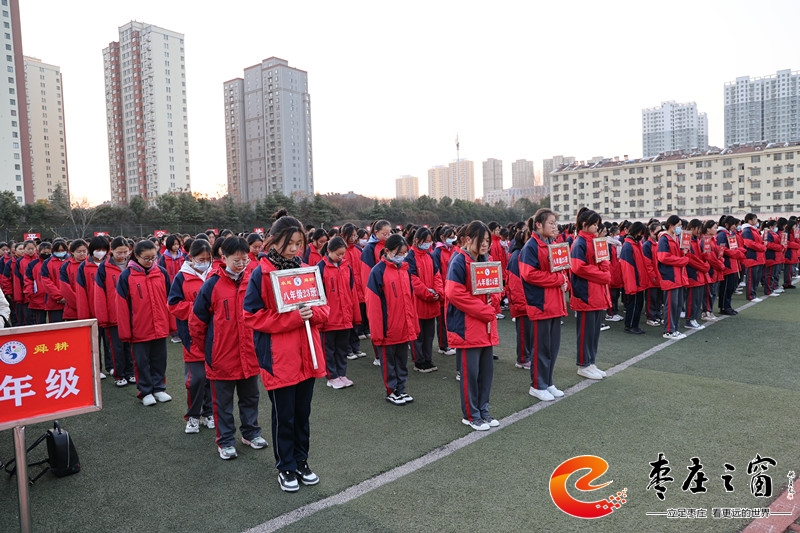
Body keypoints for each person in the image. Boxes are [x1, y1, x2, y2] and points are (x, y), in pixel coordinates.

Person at [243, 214, 329, 493]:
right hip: (279, 358)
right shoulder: (261, 273)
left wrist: (313, 314)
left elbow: (324, 308)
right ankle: (286, 467)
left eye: (298, 243)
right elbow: (252, 315)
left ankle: (302, 461)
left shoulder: (306, 270)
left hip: (308, 354)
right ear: (274, 241)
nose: (294, 249)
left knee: (303, 413)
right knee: (285, 416)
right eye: (289, 243)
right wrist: (292, 318)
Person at [191, 237, 266, 458]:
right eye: (236, 260)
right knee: (222, 402)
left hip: (249, 353)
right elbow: (197, 322)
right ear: (223, 258)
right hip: (221, 355)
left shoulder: (253, 280)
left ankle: (251, 433)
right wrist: (208, 350)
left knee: (250, 397)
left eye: (245, 260)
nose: (241, 264)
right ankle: (225, 441)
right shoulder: (212, 284)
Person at [446, 221, 500, 431]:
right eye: (482, 240)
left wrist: (494, 301)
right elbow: (454, 293)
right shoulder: (459, 261)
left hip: (486, 327)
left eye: (488, 240)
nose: (486, 244)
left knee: (486, 373)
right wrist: (484, 310)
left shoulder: (486, 260)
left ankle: (483, 411)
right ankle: (471, 415)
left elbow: (496, 288)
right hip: (468, 327)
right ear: (468, 239)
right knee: (470, 374)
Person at [519, 209, 569, 401]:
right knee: (541, 348)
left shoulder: (553, 244)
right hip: (540, 303)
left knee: (552, 347)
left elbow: (561, 271)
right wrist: (558, 280)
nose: (555, 227)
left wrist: (564, 281)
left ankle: (548, 382)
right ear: (538, 225)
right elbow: (529, 274)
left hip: (555, 303)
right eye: (551, 223)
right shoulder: (531, 247)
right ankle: (537, 385)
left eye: (555, 223)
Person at [116, 240, 172, 406]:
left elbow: (169, 300)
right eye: (146, 258)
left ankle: (159, 388)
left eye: (153, 257)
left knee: (160, 359)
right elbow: (121, 306)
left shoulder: (161, 272)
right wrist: (126, 331)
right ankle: (145, 391)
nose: (150, 261)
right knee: (141, 361)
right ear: (136, 256)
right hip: (139, 328)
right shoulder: (126, 276)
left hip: (160, 325)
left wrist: (170, 324)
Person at [366, 234, 420, 404]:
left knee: (402, 362)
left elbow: (411, 301)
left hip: (404, 327)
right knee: (389, 363)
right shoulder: (378, 271)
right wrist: (377, 332)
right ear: (387, 251)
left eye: (404, 253)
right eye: (399, 253)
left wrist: (413, 325)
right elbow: (373, 305)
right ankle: (391, 391)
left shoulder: (405, 270)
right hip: (387, 329)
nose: (402, 256)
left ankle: (401, 389)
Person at [169, 239, 215, 434]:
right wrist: (197, 309)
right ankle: (193, 416)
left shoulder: (215, 273)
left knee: (212, 377)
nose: (204, 262)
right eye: (200, 259)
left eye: (207, 259)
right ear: (191, 257)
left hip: (214, 335)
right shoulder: (181, 277)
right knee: (196, 378)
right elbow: (173, 305)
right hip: (191, 335)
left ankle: (209, 413)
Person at [569, 209, 612, 380]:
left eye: (597, 224)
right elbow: (578, 267)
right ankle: (583, 364)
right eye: (594, 224)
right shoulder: (579, 243)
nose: (596, 227)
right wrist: (602, 275)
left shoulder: (595, 241)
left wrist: (605, 269)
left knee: (594, 332)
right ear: (584, 224)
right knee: (586, 332)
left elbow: (604, 261)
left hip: (597, 292)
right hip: (586, 293)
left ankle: (591, 362)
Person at [317, 236, 360, 389]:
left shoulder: (347, 267)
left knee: (342, 348)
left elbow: (351, 291)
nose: (341, 257)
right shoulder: (320, 268)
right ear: (329, 251)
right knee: (329, 349)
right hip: (328, 317)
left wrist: (353, 314)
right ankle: (331, 376)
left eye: (343, 254)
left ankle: (341, 374)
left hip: (345, 316)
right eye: (338, 254)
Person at [406, 227, 443, 373]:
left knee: (429, 335)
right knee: (418, 335)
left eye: (430, 241)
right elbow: (413, 280)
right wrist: (428, 293)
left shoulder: (430, 256)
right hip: (418, 303)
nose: (428, 244)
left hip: (431, 302)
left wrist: (438, 292)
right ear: (417, 240)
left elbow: (437, 276)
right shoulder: (410, 257)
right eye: (426, 241)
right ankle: (419, 361)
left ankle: (428, 359)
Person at [77, 236, 113, 376]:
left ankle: (111, 366)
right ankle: (97, 368)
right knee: (94, 342)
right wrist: (84, 316)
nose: (101, 252)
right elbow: (81, 292)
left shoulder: (110, 264)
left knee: (109, 341)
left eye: (104, 249)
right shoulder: (84, 267)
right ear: (92, 250)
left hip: (109, 310)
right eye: (98, 249)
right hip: (92, 311)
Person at [657, 215, 689, 339]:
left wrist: (683, 253)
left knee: (678, 305)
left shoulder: (675, 238)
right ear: (671, 225)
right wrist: (682, 260)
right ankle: (669, 330)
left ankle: (675, 329)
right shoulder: (664, 239)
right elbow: (663, 257)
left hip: (678, 276)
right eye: (678, 225)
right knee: (671, 305)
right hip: (670, 276)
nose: (680, 227)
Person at [431, 226, 457, 356]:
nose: (452, 239)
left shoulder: (454, 249)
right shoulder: (437, 252)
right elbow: (437, 274)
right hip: (443, 290)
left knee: (451, 318)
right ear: (442, 237)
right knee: (442, 320)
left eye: (453, 237)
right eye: (450, 237)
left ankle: (451, 342)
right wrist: (441, 290)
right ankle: (443, 345)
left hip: (453, 289)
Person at [619, 221, 648, 334]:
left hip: (638, 281)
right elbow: (627, 268)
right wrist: (631, 286)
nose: (642, 235)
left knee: (638, 304)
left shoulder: (635, 244)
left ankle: (634, 325)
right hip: (634, 282)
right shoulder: (628, 246)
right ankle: (630, 325)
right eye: (641, 232)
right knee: (634, 304)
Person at [684, 219, 710, 330]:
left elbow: (699, 256)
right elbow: (689, 258)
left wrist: (705, 257)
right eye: (698, 228)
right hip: (693, 273)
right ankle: (689, 319)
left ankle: (694, 318)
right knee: (692, 299)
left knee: (698, 298)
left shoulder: (697, 240)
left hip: (699, 273)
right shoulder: (687, 239)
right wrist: (703, 266)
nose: (700, 231)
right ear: (692, 228)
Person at [59, 239, 88, 321]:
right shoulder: (66, 266)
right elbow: (65, 289)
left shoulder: (91, 265)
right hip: (73, 309)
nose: (82, 254)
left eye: (84, 251)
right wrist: (79, 304)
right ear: (72, 252)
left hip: (91, 308)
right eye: (79, 251)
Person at [741, 213, 766, 302]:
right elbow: (749, 243)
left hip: (758, 256)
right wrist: (762, 247)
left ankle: (753, 294)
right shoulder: (747, 231)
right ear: (749, 220)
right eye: (754, 219)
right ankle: (751, 295)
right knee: (751, 278)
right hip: (752, 256)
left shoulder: (754, 230)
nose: (756, 221)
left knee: (756, 278)